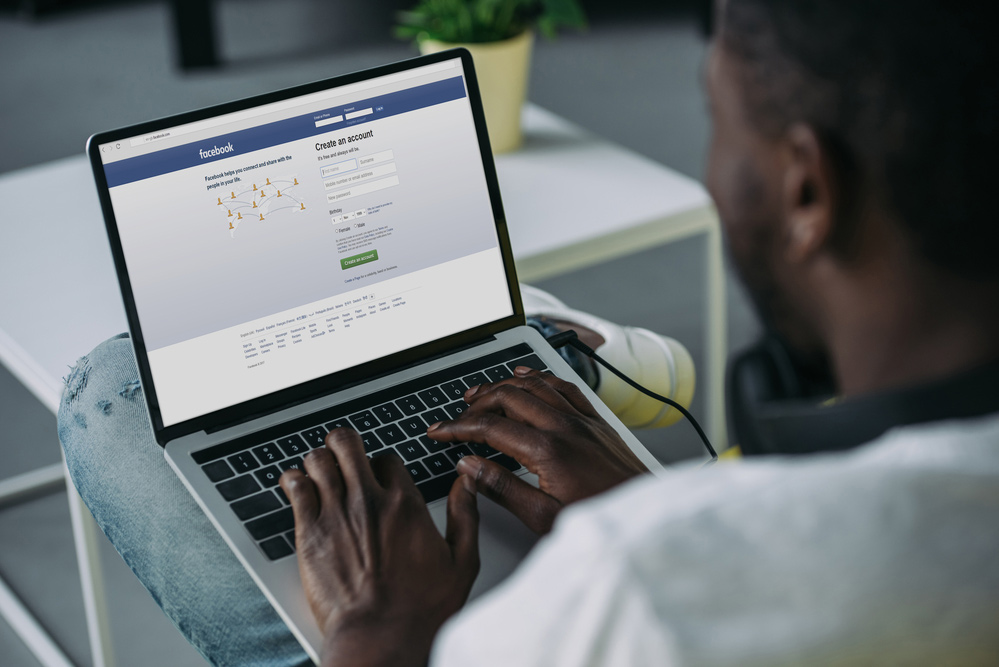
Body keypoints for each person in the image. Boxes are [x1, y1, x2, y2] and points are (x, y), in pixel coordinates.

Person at [59, 0, 999, 665]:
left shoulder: (639, 595)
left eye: (719, 122)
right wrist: (643, 497)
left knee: (110, 393)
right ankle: (537, 340)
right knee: (514, 349)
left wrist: (376, 632)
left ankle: (528, 336)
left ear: (805, 189)